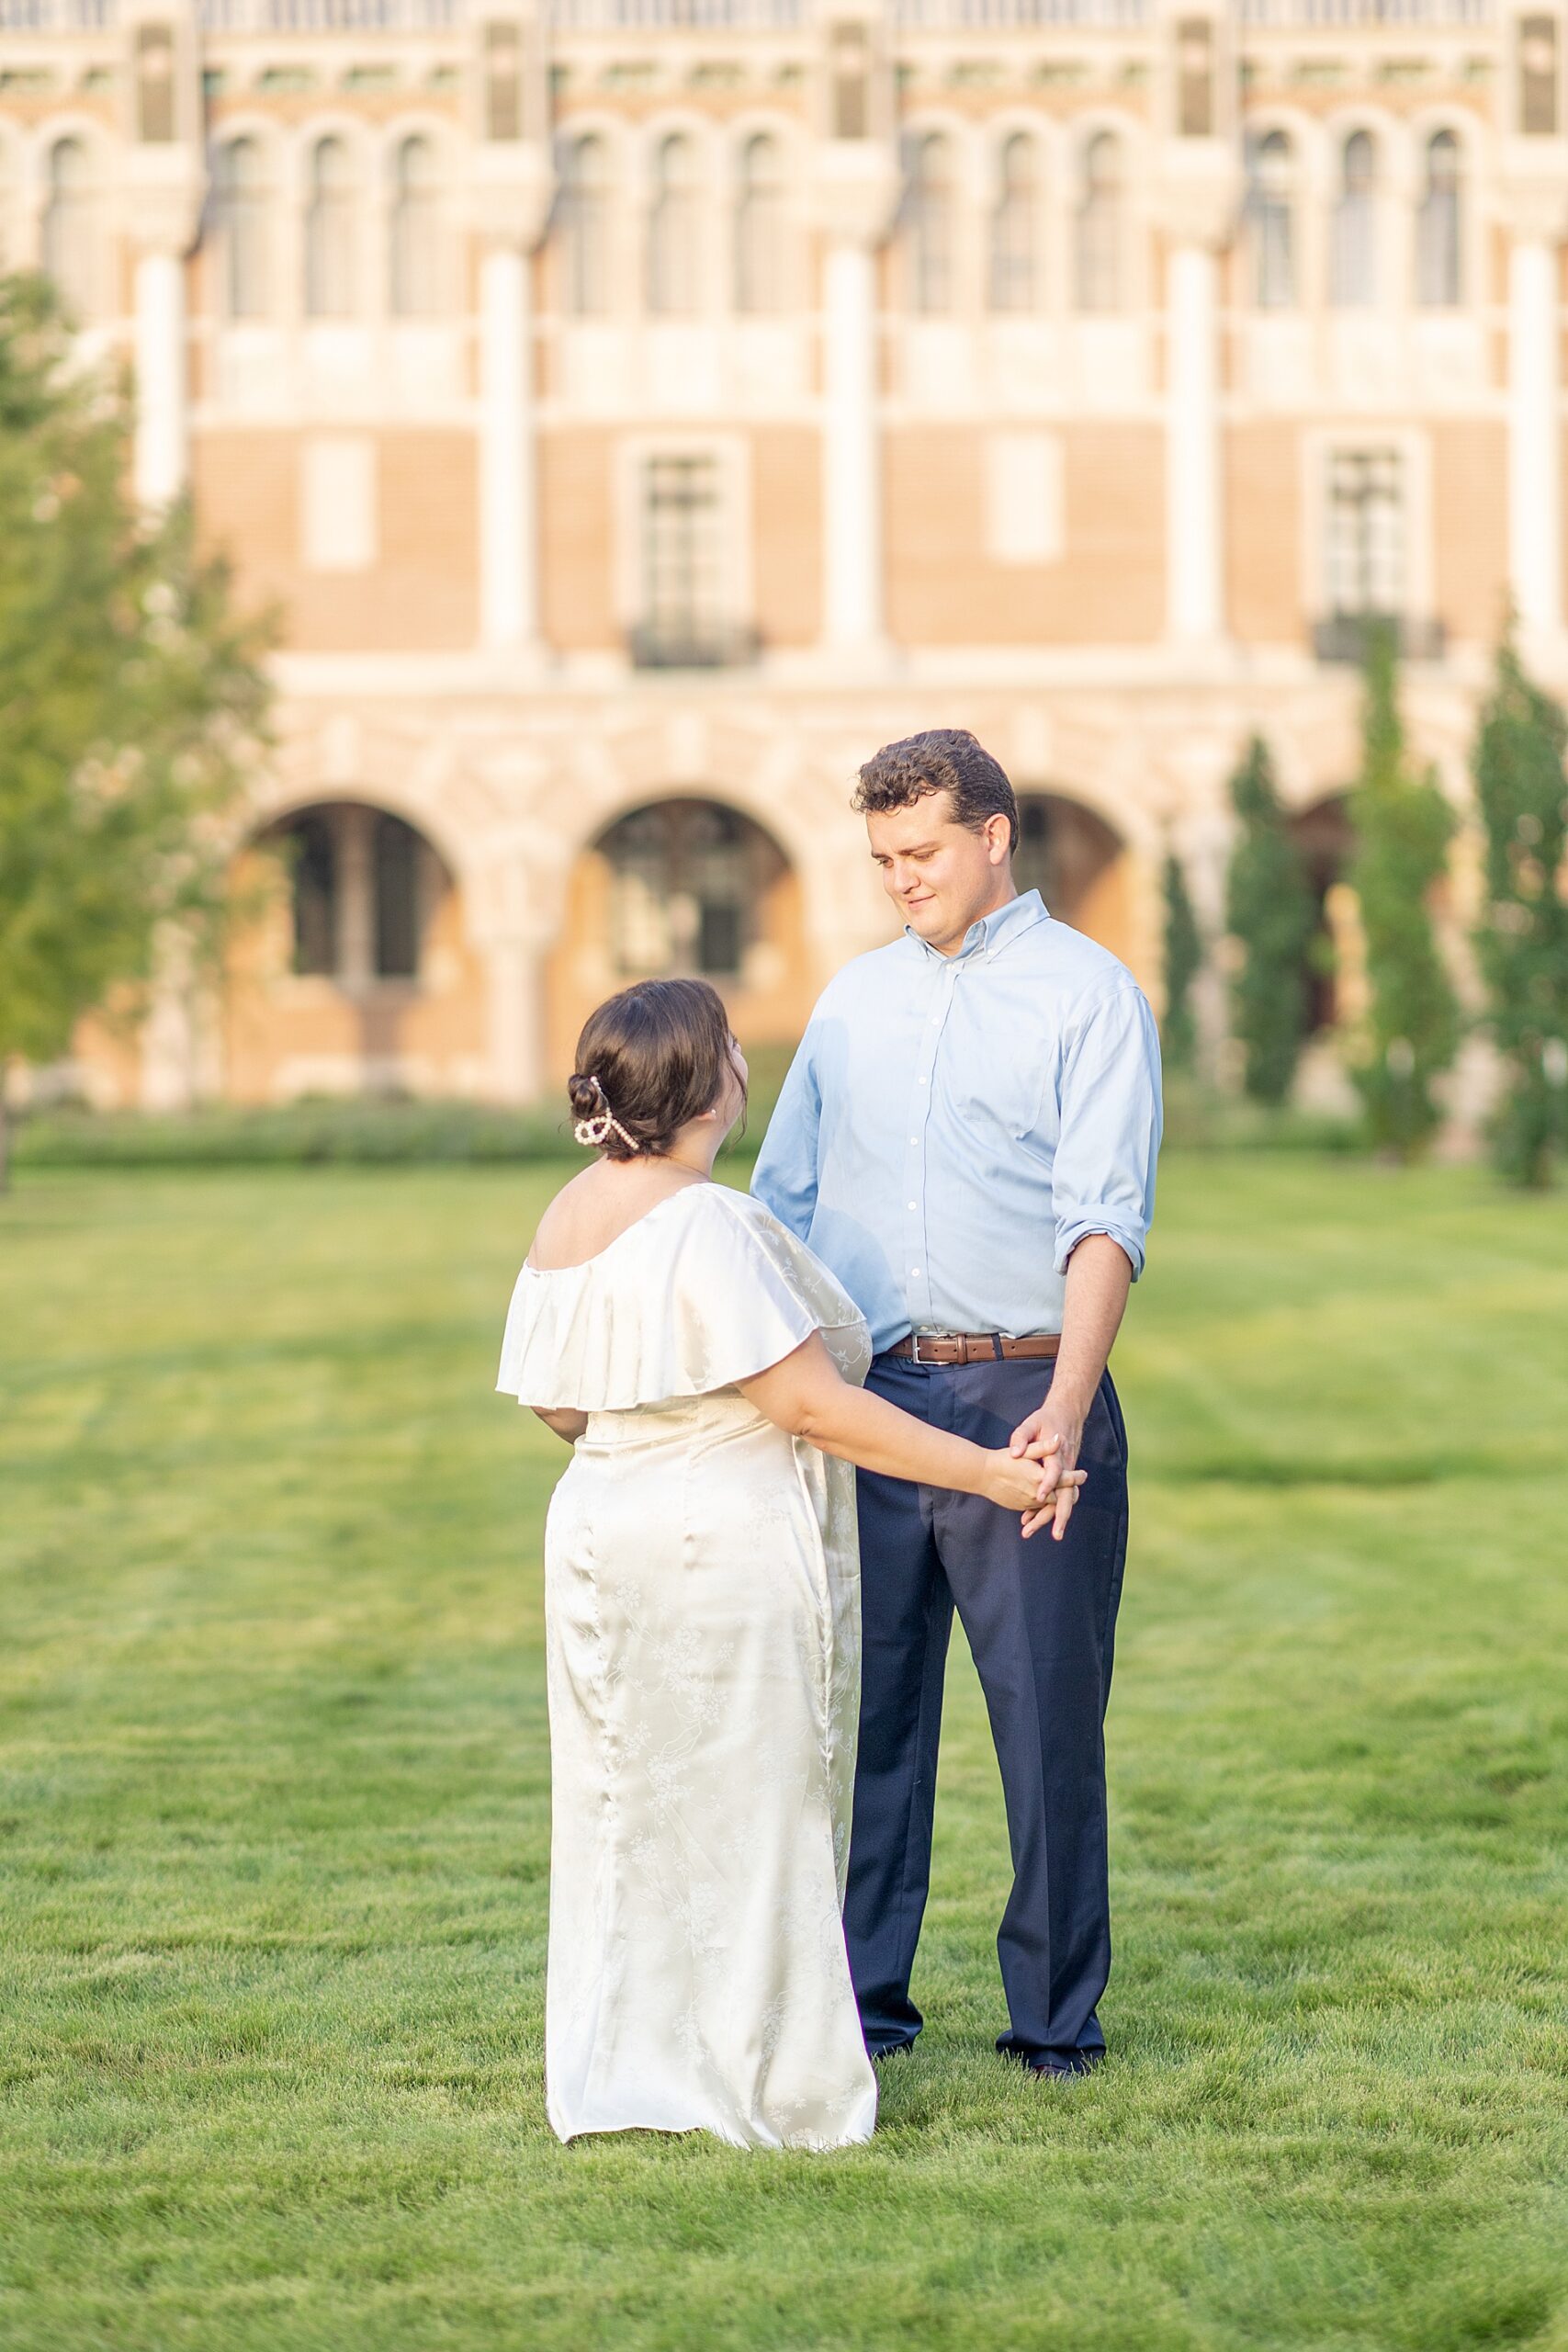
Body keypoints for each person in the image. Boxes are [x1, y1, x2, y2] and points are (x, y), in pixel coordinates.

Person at [497, 975, 1083, 2151]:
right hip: (716, 1542)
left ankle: (635, 2058)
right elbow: (811, 1408)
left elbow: (559, 1405)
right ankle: (759, 2076)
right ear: (712, 1081)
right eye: (728, 1046)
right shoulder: (704, 1221)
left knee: (633, 1805)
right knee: (754, 1802)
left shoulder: (568, 1210)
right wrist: (991, 1473)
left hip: (603, 1536)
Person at [752, 729, 1162, 2079]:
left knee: (1045, 1723)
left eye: (919, 853)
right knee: (867, 1720)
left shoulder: (1086, 996)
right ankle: (861, 2006)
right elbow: (780, 1207)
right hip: (872, 1404)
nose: (900, 881)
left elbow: (1103, 1217)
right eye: (879, 861)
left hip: (1020, 1397)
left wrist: (1063, 1400)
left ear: (992, 835)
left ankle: (1053, 2023)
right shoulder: (851, 1001)